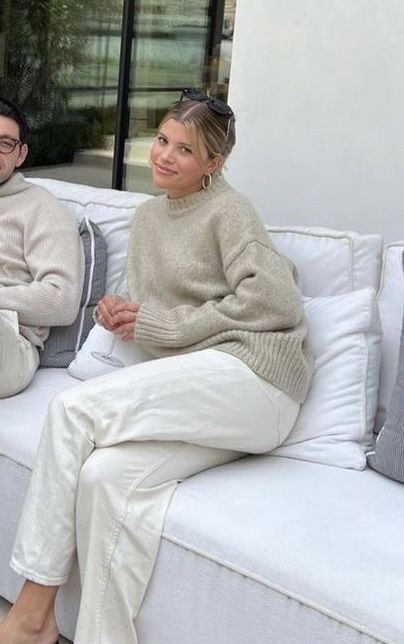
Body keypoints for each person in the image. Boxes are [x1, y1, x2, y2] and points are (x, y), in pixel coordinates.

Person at [0, 88, 313, 644]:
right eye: (163, 140)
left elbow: (276, 301)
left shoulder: (229, 210)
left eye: (184, 150)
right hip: (208, 398)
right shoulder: (148, 218)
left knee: (72, 411)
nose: (164, 156)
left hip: (255, 378)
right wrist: (123, 313)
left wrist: (163, 324)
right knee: (103, 479)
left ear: (214, 163)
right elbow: (157, 319)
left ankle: (30, 616)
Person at [0, 98, 84, 398]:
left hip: (11, 340)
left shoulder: (42, 207)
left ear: (21, 154)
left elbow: (62, 300)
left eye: (5, 143)